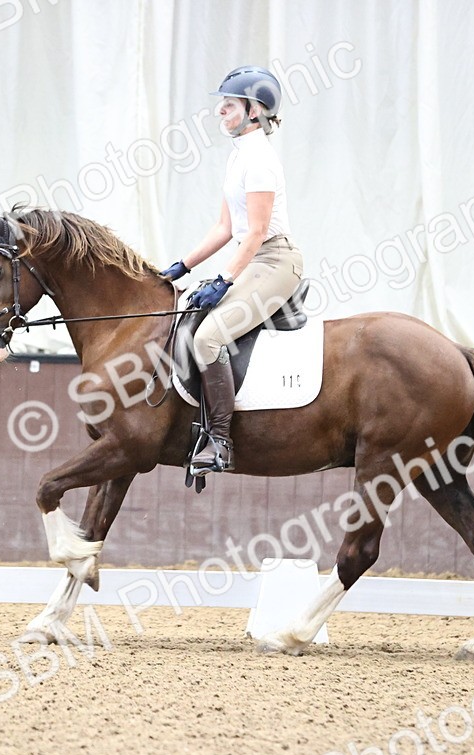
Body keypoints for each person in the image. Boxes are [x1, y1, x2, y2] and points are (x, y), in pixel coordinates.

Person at [161, 65, 304, 475]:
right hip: (252, 256)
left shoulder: (259, 160)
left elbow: (257, 232)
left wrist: (224, 280)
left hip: (275, 260)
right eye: (221, 103)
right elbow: (225, 228)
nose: (219, 110)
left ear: (254, 110)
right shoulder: (239, 156)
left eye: (229, 104)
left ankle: (220, 441)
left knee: (207, 338)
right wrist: (181, 266)